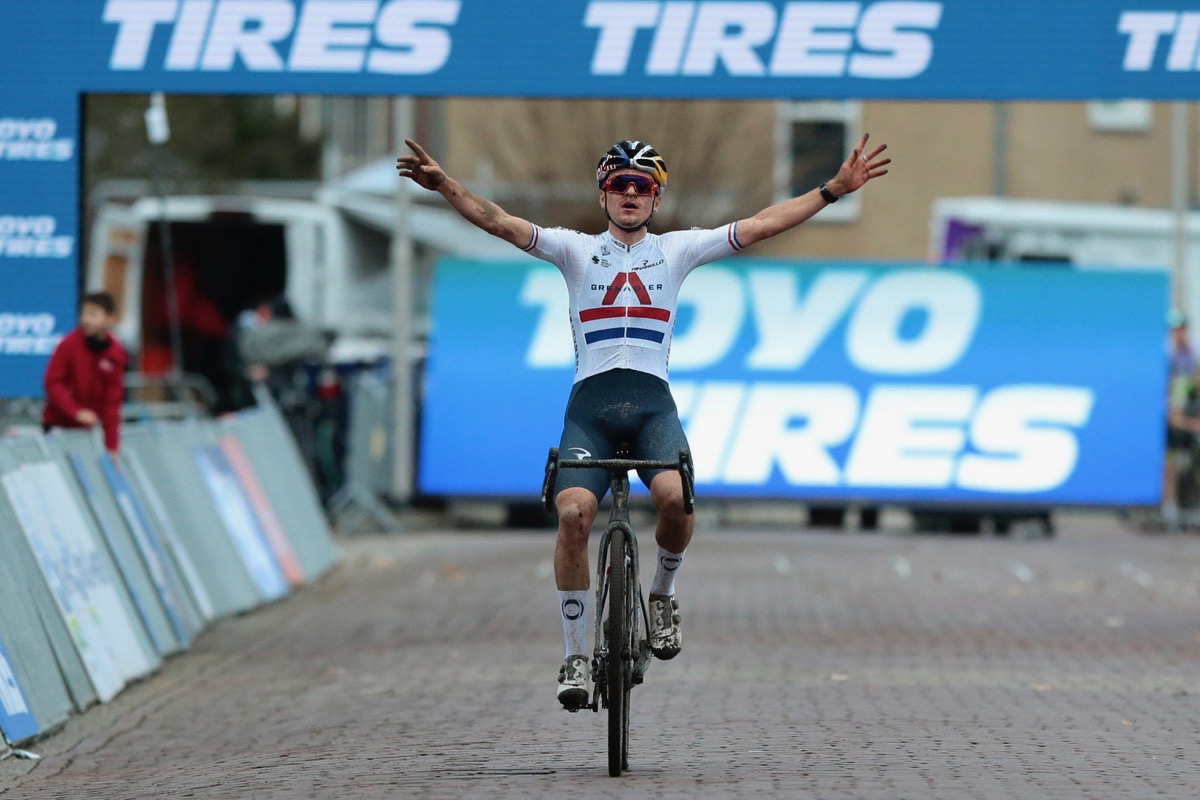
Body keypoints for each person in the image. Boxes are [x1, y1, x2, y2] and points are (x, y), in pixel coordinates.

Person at [397, 134, 889, 707]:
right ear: (604, 195)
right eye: (619, 184)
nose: (630, 194)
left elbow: (760, 225)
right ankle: (576, 657)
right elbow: (500, 222)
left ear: (655, 200)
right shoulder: (573, 250)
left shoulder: (677, 250)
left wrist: (832, 191)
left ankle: (661, 595)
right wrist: (445, 186)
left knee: (677, 500)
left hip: (653, 403)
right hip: (591, 410)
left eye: (642, 186)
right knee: (575, 516)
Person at [42, 291, 128, 457]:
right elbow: (52, 382)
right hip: (57, 425)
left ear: (110, 318)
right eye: (83, 313)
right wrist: (75, 411)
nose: (85, 320)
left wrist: (112, 447)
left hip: (85, 433)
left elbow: (112, 404)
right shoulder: (68, 344)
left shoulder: (116, 354)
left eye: (93, 314)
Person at [1163, 309, 1200, 528]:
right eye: (1174, 330)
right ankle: (1171, 509)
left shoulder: (1194, 352)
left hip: (1189, 417)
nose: (1178, 334)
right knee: (1172, 467)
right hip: (1176, 424)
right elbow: (1171, 408)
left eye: (1180, 329)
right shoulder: (1166, 355)